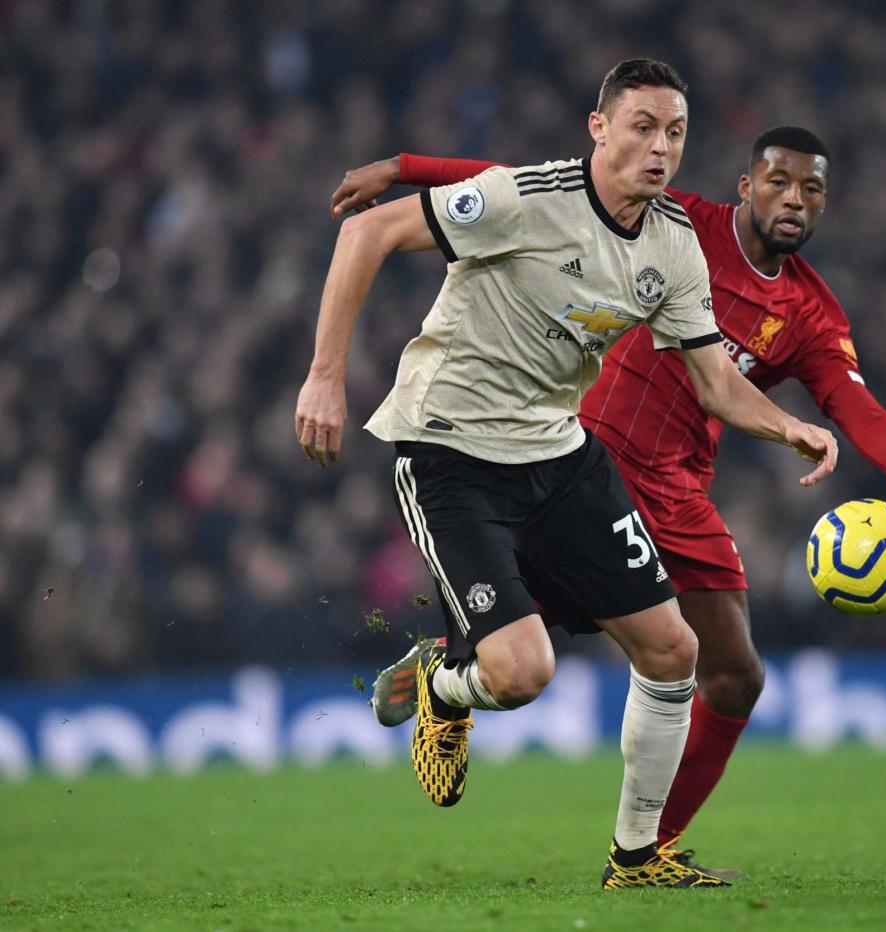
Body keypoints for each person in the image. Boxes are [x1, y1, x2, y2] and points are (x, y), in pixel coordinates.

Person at [330, 124, 886, 876]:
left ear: (824, 206)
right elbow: (525, 182)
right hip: (582, 459)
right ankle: (455, 667)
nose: (793, 199)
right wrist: (403, 168)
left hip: (679, 489)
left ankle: (644, 849)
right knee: (538, 647)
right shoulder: (678, 223)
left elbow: (859, 411)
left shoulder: (812, 315)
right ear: (745, 186)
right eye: (778, 181)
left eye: (811, 189)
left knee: (731, 671)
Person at [296, 59, 839, 889]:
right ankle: (445, 686)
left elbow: (713, 380)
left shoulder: (672, 247)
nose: (661, 149)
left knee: (671, 649)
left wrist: (790, 425)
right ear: (600, 129)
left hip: (557, 453)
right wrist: (326, 376)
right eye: (644, 127)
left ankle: (634, 857)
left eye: (676, 133)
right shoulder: (524, 197)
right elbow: (365, 232)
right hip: (451, 452)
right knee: (522, 674)